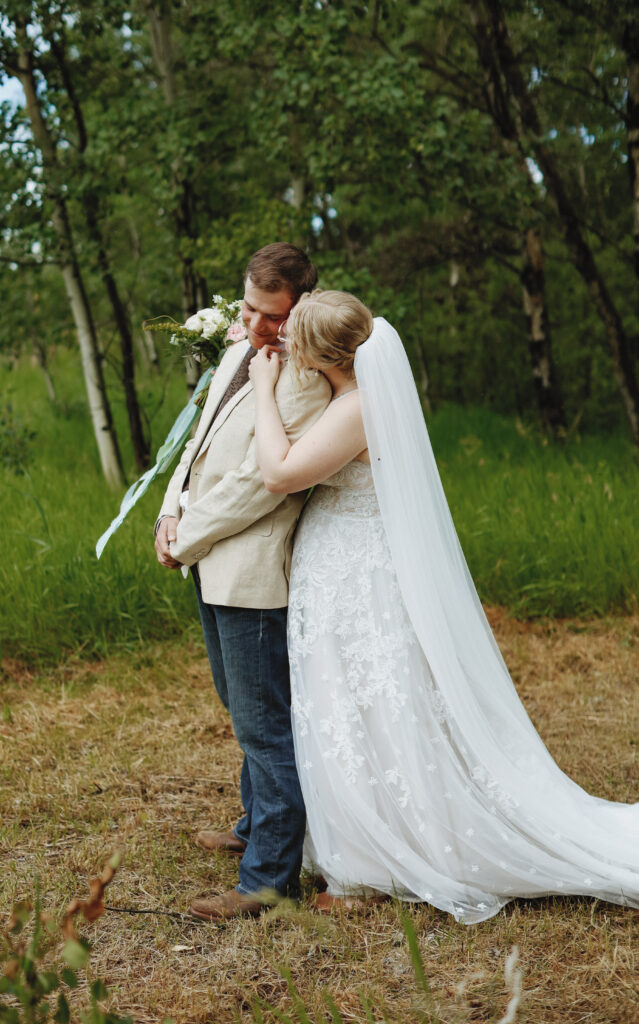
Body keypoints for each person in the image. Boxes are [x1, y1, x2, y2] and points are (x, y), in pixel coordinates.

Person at [249, 289, 639, 923]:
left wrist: (264, 391)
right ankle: (357, 847)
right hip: (342, 569)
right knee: (344, 704)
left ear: (325, 356)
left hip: (356, 577)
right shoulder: (351, 396)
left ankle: (372, 862)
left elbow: (279, 473)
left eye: (296, 340)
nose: (285, 349)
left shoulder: (355, 410)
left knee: (362, 705)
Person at [154, 245, 331, 922]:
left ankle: (266, 881)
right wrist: (170, 509)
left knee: (263, 723)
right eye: (249, 309)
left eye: (270, 315)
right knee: (238, 703)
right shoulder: (242, 347)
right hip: (206, 549)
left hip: (250, 563)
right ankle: (253, 823)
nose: (256, 325)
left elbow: (262, 482)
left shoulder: (307, 375)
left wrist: (190, 533)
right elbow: (198, 443)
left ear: (301, 306)